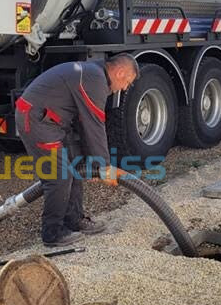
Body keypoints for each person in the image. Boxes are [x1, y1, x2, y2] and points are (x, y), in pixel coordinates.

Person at [15, 54, 139, 247]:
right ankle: (52, 233)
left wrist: (92, 163)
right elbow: (95, 125)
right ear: (120, 72)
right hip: (36, 119)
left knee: (75, 165)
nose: (124, 88)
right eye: (127, 82)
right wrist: (104, 167)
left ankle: (73, 220)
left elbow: (85, 123)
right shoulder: (95, 78)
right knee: (59, 176)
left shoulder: (94, 75)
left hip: (54, 121)